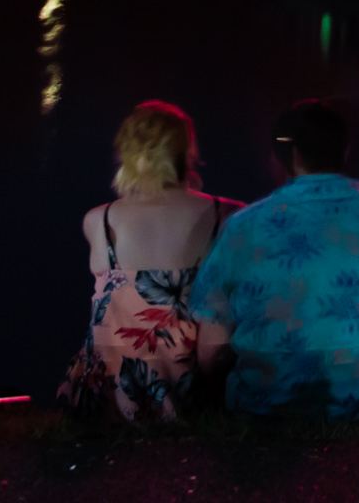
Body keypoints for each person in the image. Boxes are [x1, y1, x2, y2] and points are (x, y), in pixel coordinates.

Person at [188, 99, 359, 420]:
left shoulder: (245, 224)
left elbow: (210, 342)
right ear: (344, 152)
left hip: (262, 403)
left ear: (290, 156)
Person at [58, 100, 233, 421]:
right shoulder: (226, 216)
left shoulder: (99, 221)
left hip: (107, 405)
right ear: (188, 151)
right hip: (191, 397)